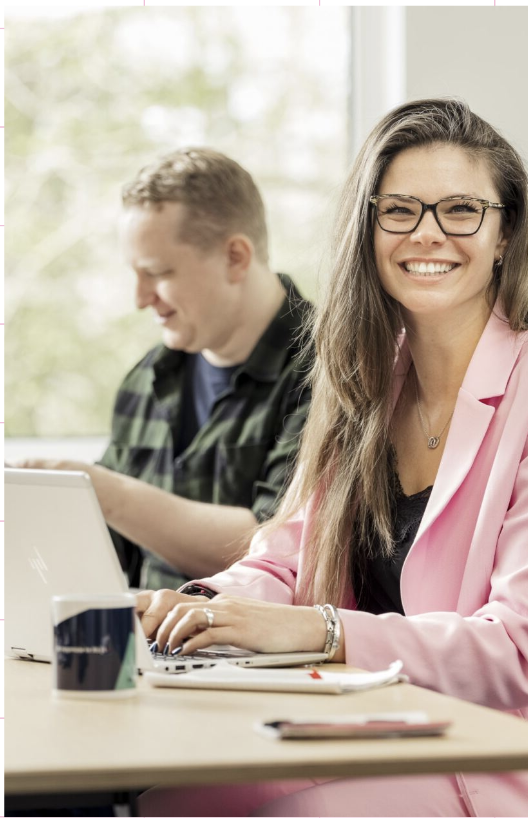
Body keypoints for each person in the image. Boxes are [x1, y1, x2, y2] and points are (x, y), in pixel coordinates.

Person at [135, 100, 528, 817]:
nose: (427, 233)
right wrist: (200, 608)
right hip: (389, 727)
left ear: (505, 234)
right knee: (167, 800)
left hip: (519, 750)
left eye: (461, 209)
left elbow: (521, 651)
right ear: (368, 230)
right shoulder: (367, 380)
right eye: (399, 210)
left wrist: (321, 629)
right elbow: (287, 556)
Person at [15, 149, 313, 590]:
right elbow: (110, 555)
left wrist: (104, 493)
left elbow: (281, 549)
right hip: (146, 651)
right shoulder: (146, 379)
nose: (139, 298)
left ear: (235, 257)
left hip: (260, 655)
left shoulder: (330, 372)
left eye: (157, 272)